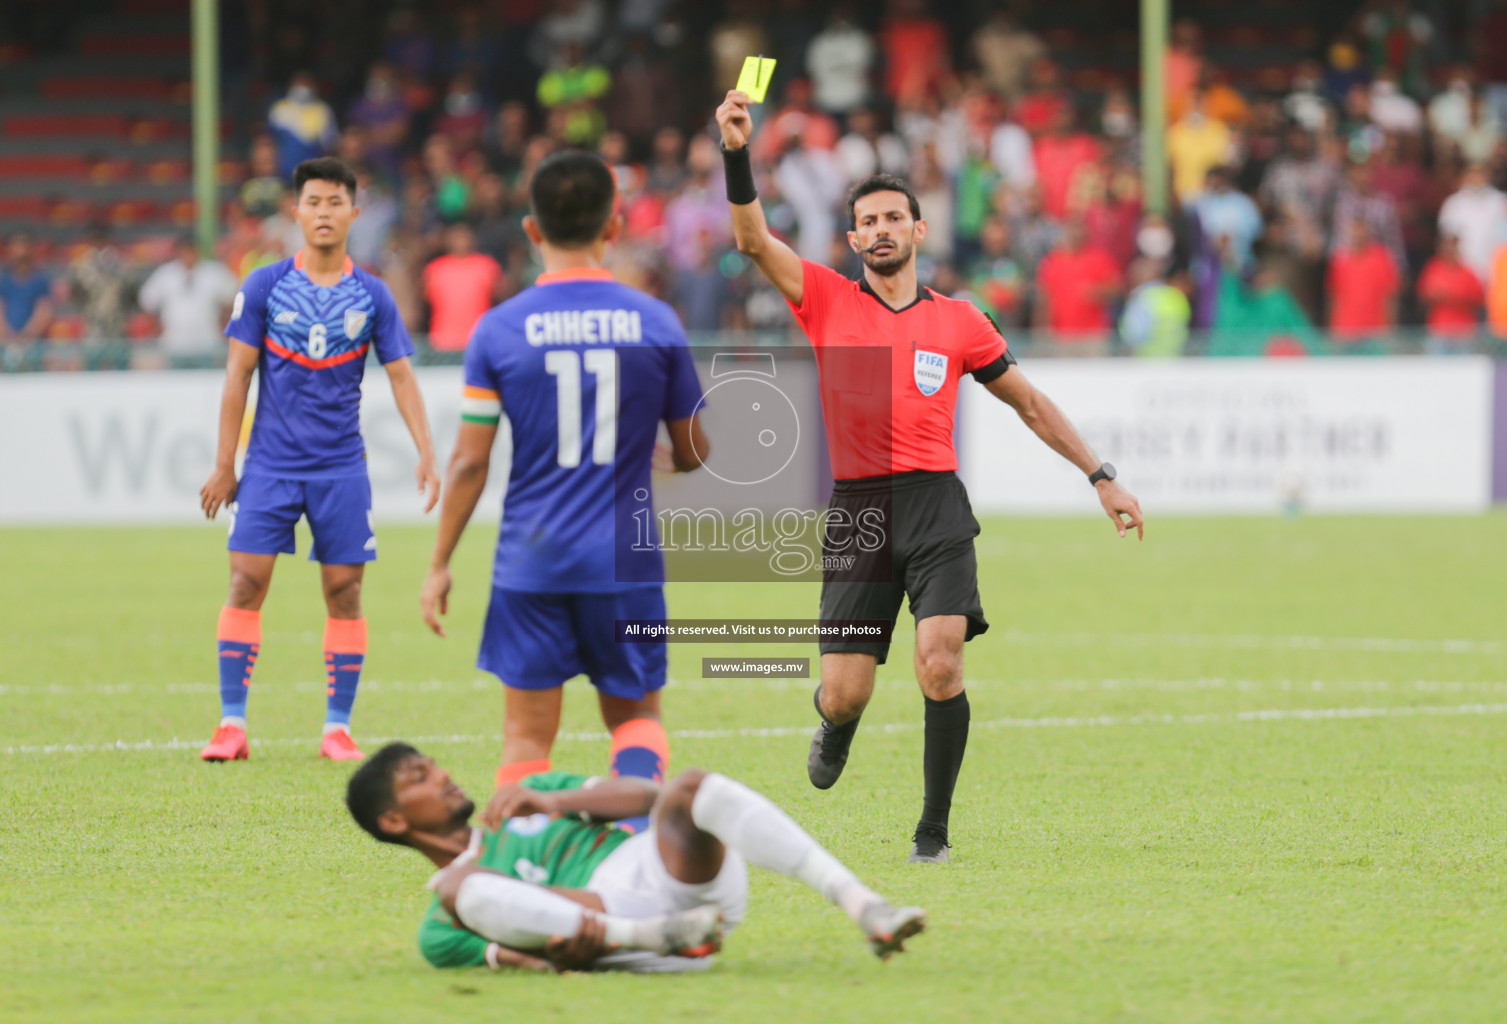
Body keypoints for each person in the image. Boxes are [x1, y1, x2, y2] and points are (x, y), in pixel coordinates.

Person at [714, 89, 1144, 863]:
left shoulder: (960, 321)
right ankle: (834, 723)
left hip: (936, 503)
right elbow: (750, 238)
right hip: (857, 511)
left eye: (892, 218)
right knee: (847, 689)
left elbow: (1031, 405)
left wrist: (1099, 475)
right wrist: (737, 150)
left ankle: (932, 833)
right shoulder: (823, 300)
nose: (880, 230)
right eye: (866, 221)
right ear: (852, 239)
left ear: (918, 230)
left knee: (940, 662)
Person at [419, 150, 708, 798]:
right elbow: (691, 449)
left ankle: (522, 862)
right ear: (614, 226)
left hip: (533, 556)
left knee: (525, 737)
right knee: (635, 719)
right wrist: (665, 454)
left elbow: (469, 460)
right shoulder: (656, 322)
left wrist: (440, 561)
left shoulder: (498, 330)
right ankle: (633, 838)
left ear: (531, 229)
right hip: (624, 558)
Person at [197, 157, 441, 764]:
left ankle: (337, 728)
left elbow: (404, 378)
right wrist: (226, 463)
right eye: (314, 202)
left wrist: (427, 453)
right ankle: (231, 725)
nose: (324, 212)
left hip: (340, 469)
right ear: (295, 211)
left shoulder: (373, 294)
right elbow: (237, 377)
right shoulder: (263, 285)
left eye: (336, 202)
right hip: (270, 467)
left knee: (345, 593)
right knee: (246, 581)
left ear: (354, 213)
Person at [345, 743, 927, 970]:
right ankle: (657, 934)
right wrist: (551, 951)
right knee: (462, 890)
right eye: (421, 777)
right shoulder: (440, 928)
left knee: (695, 786)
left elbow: (651, 797)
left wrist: (552, 797)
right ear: (395, 821)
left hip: (669, 872)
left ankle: (863, 904)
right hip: (624, 930)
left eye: (432, 764)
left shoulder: (528, 798)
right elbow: (537, 962)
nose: (442, 774)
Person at [137, 236, 240, 360]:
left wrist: (224, 321)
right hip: (174, 341)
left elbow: (235, 298)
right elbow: (147, 301)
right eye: (184, 251)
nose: (187, 255)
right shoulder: (166, 274)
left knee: (207, 378)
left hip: (207, 340)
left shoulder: (214, 272)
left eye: (190, 251)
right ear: (177, 253)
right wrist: (157, 326)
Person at [422, 223, 506, 352]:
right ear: (447, 240)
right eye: (457, 237)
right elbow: (426, 299)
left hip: (478, 339)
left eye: (465, 237)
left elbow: (499, 297)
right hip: (443, 341)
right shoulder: (435, 268)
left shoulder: (486, 265)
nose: (461, 242)